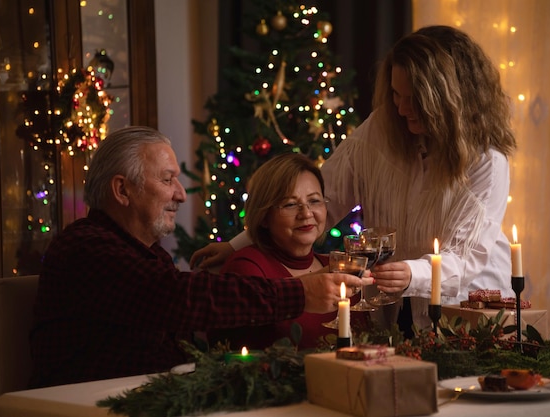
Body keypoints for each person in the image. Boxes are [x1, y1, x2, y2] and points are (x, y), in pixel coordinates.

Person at [190, 25, 517, 338]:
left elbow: (466, 259)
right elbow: (321, 199)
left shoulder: (487, 162)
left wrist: (413, 273)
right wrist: (236, 245)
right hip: (396, 308)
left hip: (467, 310)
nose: (401, 108)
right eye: (395, 95)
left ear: (446, 99)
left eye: (413, 98)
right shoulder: (383, 127)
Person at [29, 126, 365, 388]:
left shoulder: (147, 255)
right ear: (122, 190)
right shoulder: (86, 249)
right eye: (167, 179)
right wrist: (300, 293)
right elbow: (176, 298)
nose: (180, 194)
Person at [209, 153, 366, 350]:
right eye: (290, 204)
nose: (306, 213)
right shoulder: (247, 267)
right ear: (264, 216)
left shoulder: (337, 267)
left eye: (315, 201)